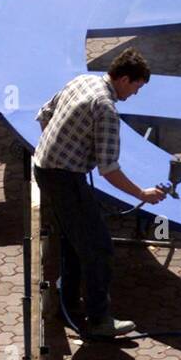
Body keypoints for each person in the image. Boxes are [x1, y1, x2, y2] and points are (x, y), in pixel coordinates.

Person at [33, 49, 166, 338]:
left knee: (72, 240)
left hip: (44, 168)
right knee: (99, 247)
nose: (135, 94)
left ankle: (66, 305)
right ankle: (99, 321)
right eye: (136, 87)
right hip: (64, 179)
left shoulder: (82, 81)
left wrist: (62, 147)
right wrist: (141, 193)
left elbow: (44, 115)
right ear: (125, 79)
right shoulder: (105, 108)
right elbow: (109, 169)